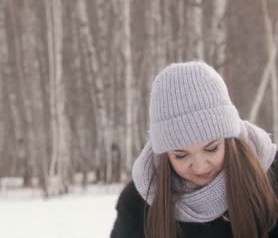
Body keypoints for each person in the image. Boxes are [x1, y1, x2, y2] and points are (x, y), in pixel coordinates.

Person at [111, 61, 278, 238]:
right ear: (165, 155)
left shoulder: (272, 178)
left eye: (211, 148)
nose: (200, 167)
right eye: (181, 155)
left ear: (229, 139)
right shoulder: (139, 202)